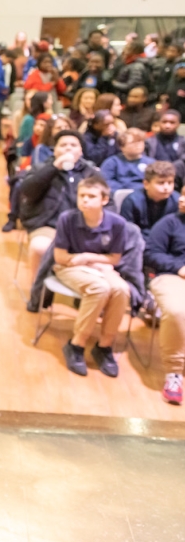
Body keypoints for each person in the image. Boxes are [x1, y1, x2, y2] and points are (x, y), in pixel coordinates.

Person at [54, 174, 128, 378]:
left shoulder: (118, 223)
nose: (85, 200)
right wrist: (87, 261)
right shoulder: (67, 219)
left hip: (100, 266)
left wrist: (88, 257)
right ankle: (76, 344)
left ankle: (104, 346)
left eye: (91, 196)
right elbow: (60, 257)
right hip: (70, 267)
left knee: (122, 289)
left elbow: (114, 258)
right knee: (100, 288)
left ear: (104, 200)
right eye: (81, 195)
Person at [20, 130, 98, 287]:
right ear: (54, 150)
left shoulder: (91, 173)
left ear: (80, 150)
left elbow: (105, 201)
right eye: (63, 145)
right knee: (40, 247)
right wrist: (54, 167)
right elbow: (27, 191)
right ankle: (38, 289)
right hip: (47, 225)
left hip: (81, 228)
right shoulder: (41, 168)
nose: (68, 148)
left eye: (73, 145)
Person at [144, 193, 185, 403]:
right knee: (178, 310)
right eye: (184, 194)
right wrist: (178, 267)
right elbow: (151, 254)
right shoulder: (169, 223)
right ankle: (175, 373)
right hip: (170, 276)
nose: (182, 199)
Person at [121, 161, 178, 240]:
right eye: (161, 183)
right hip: (140, 243)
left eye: (170, 182)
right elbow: (127, 231)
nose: (166, 187)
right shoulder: (132, 201)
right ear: (146, 184)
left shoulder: (177, 200)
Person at [101, 128, 153, 195]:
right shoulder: (111, 163)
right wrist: (126, 190)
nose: (138, 145)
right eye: (133, 142)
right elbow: (105, 182)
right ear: (122, 146)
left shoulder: (151, 163)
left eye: (140, 141)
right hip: (119, 195)